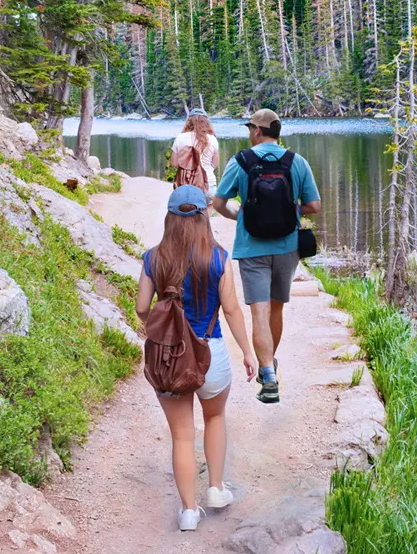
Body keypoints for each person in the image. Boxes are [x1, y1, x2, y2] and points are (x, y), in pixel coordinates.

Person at [135, 185, 258, 532]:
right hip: (210, 352)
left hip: (169, 359)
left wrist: (164, 329)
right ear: (204, 216)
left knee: (182, 436)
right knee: (215, 417)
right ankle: (216, 489)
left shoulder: (153, 258)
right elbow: (232, 309)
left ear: (170, 218)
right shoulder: (218, 257)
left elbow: (143, 308)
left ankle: (189, 512)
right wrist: (248, 353)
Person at [210, 109, 321, 404]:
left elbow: (219, 202)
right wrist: (291, 209)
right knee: (275, 310)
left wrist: (240, 214)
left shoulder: (241, 162)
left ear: (258, 131)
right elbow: (314, 205)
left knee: (258, 312)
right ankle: (270, 362)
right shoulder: (296, 161)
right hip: (287, 248)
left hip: (252, 248)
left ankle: (268, 373)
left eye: (250, 128)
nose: (249, 132)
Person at [170, 110, 220, 194]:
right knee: (208, 205)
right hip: (208, 184)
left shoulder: (180, 137)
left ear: (189, 122)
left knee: (186, 206)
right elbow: (215, 164)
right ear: (206, 122)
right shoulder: (212, 138)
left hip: (186, 185)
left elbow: (174, 163)